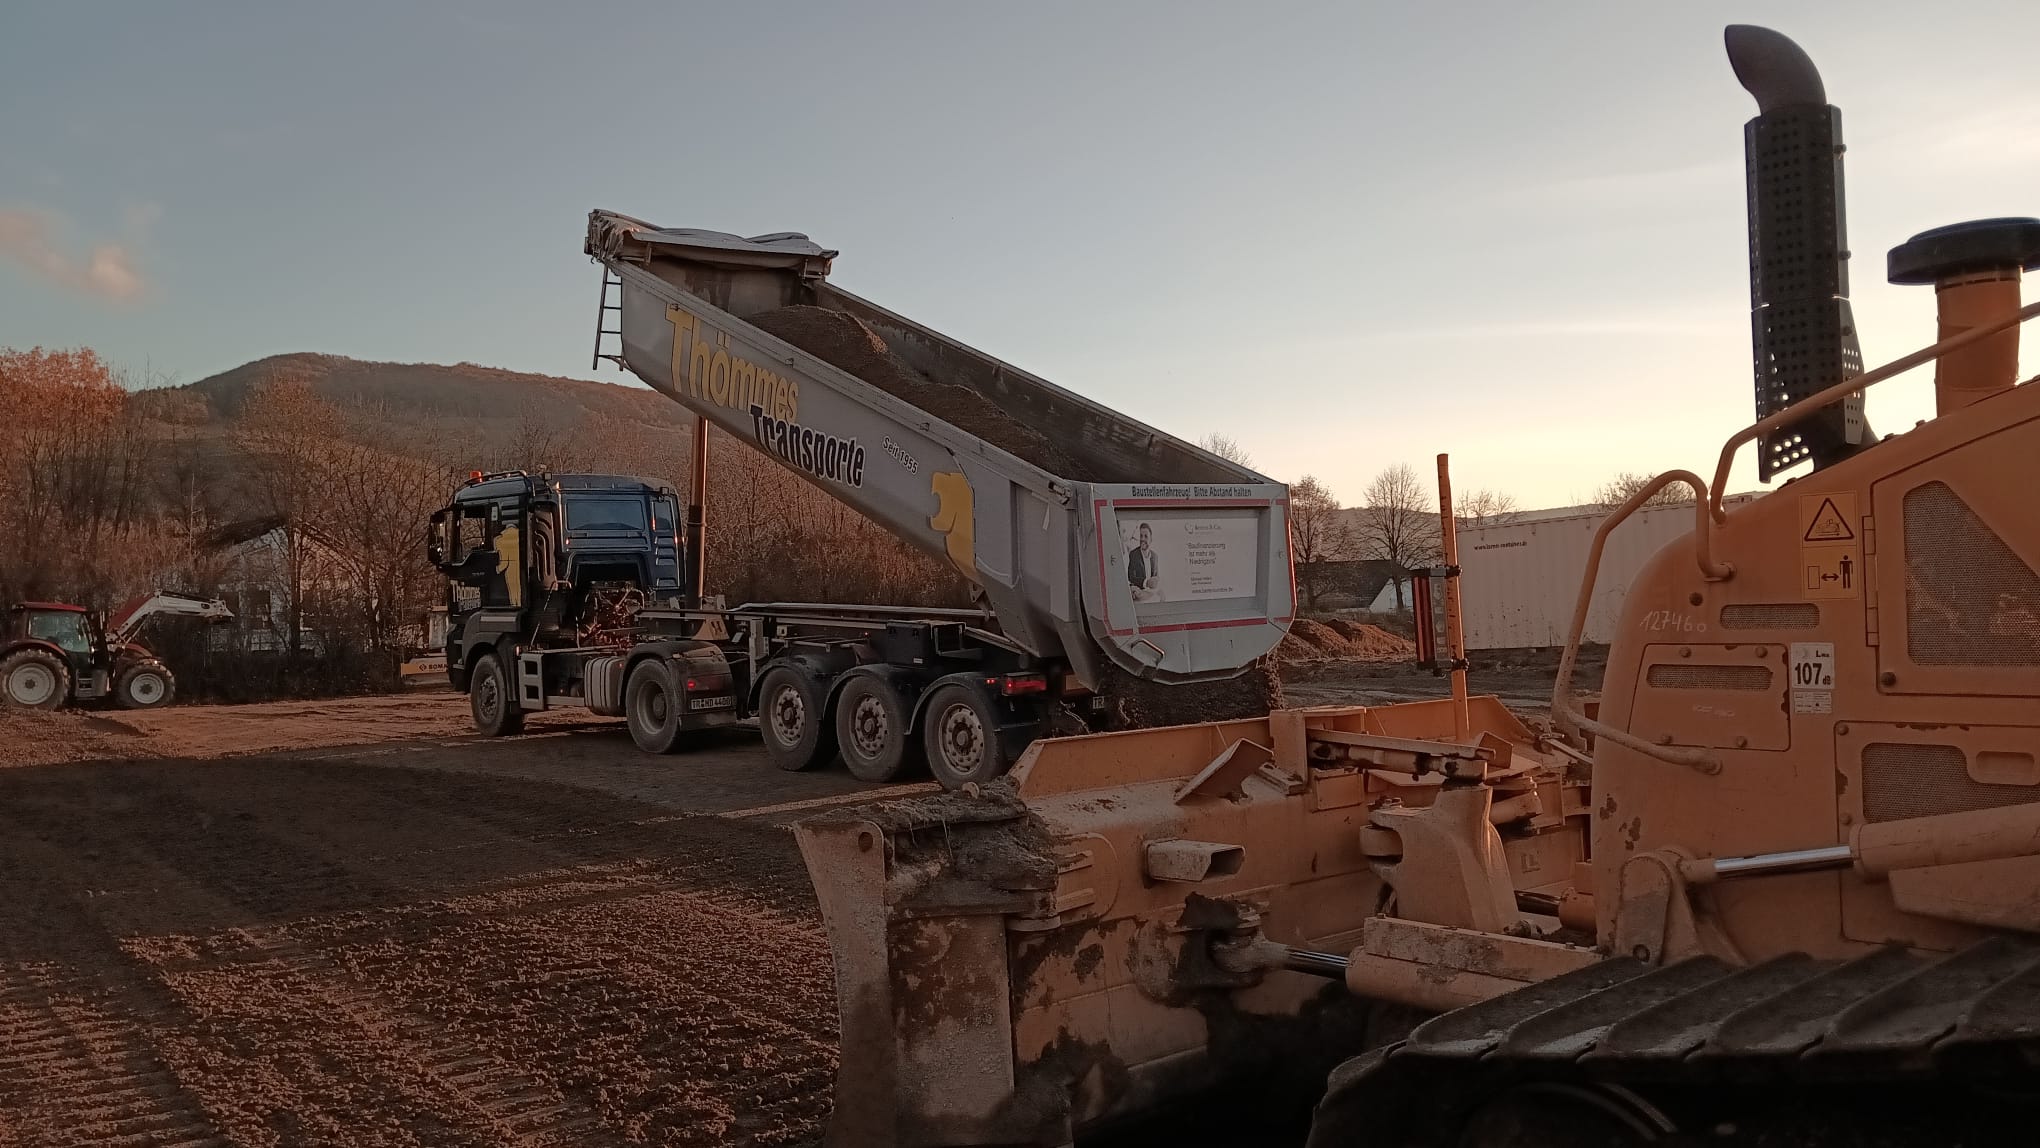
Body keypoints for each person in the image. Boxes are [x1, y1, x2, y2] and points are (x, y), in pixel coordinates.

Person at [1127, 522, 1160, 601]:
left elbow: (1156, 576)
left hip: (1151, 592)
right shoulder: (1133, 554)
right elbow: (1131, 577)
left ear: (1151, 539)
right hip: (1140, 592)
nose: (1142, 539)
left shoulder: (1155, 556)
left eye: (1146, 536)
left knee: (1163, 596)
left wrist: (1156, 580)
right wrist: (1146, 582)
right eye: (1141, 536)